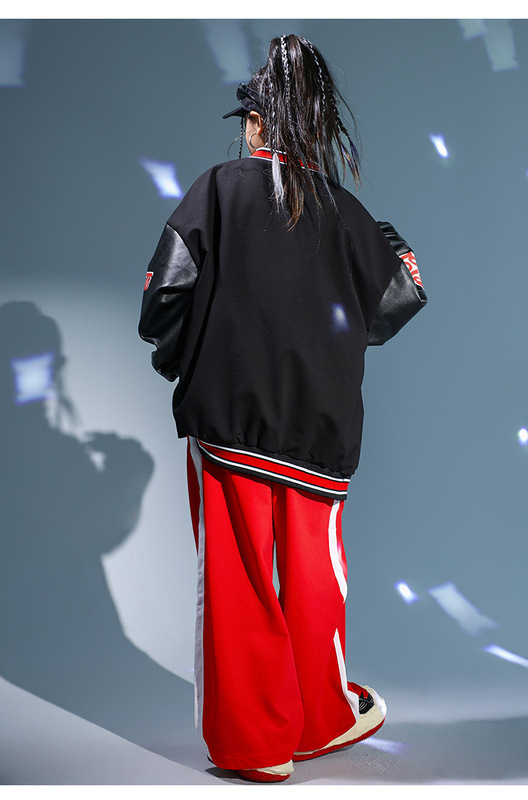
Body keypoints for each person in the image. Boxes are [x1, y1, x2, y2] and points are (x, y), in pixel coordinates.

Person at [139, 33, 426, 783]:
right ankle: (319, 721)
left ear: (257, 122)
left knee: (236, 582)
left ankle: (256, 747)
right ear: (317, 127)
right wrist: (385, 243)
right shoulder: (345, 211)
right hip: (320, 430)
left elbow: (164, 300)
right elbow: (397, 298)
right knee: (314, 577)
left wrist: (184, 364)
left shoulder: (216, 190)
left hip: (229, 421)